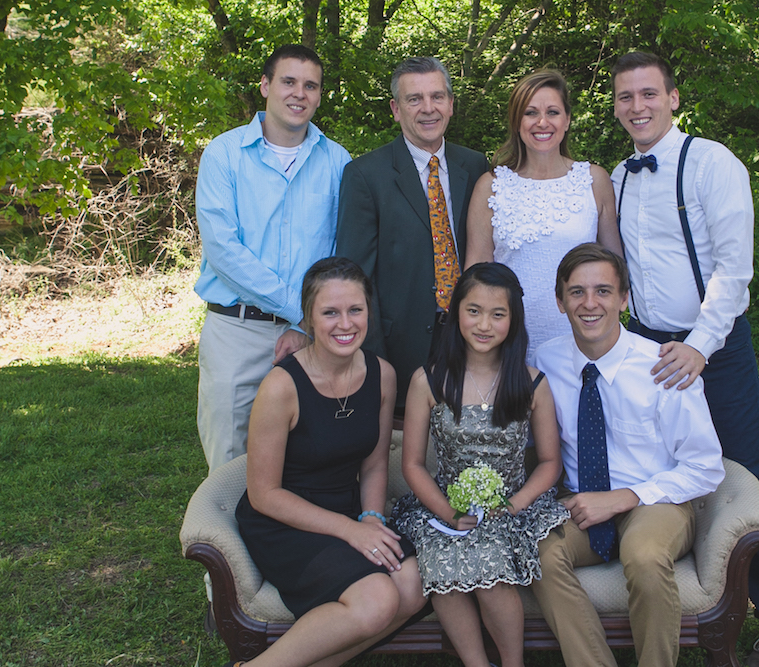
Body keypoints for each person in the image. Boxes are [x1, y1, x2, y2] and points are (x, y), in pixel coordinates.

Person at [611, 51, 759, 666]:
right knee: (656, 465)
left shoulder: (713, 163)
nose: (637, 106)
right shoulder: (617, 176)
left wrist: (699, 345)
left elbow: (733, 270)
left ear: (672, 98)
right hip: (646, 345)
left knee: (745, 470)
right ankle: (679, 582)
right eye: (625, 97)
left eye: (648, 94)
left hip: (711, 347)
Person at [532, 243, 725, 667]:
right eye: (577, 292)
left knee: (643, 555)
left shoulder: (664, 365)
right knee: (540, 552)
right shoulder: (545, 362)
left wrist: (627, 497)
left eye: (603, 291)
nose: (590, 303)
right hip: (582, 503)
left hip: (657, 501)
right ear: (560, 300)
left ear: (623, 299)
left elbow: (705, 466)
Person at [232, 257, 425, 667]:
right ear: (308, 319)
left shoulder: (382, 374)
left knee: (412, 589)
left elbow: (374, 463)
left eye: (355, 310)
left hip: (346, 507)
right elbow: (263, 494)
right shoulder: (281, 386)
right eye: (330, 313)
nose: (345, 324)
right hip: (284, 520)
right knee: (377, 600)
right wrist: (350, 532)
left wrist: (371, 517)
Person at [392, 262, 570, 667]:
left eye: (498, 314)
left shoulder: (530, 383)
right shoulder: (430, 380)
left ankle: (512, 662)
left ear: (513, 320)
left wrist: (514, 504)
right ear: (456, 313)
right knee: (441, 559)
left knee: (487, 557)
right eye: (473, 311)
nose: (484, 324)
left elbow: (549, 462)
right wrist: (448, 513)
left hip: (511, 505)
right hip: (444, 506)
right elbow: (414, 465)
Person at [195, 44, 351, 474]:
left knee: (304, 457)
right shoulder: (224, 155)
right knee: (229, 457)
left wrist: (306, 325)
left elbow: (341, 249)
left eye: (310, 85)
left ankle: (283, 542)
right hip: (237, 331)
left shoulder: (337, 161)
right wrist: (298, 312)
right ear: (265, 86)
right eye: (288, 81)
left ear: (319, 96)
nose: (299, 93)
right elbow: (224, 249)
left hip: (309, 337)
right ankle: (220, 542)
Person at [336, 56, 490, 414]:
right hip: (400, 342)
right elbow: (355, 275)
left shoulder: (476, 165)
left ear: (451, 104)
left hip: (470, 332)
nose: (428, 108)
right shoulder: (365, 175)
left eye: (437, 97)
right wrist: (374, 357)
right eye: (414, 99)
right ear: (395, 108)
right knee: (404, 450)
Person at [465, 69, 623, 364]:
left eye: (553, 112)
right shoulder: (491, 186)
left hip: (584, 344)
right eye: (530, 113)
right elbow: (474, 279)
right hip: (511, 346)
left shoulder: (594, 180)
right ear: (516, 121)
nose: (542, 122)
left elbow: (616, 270)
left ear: (567, 120)